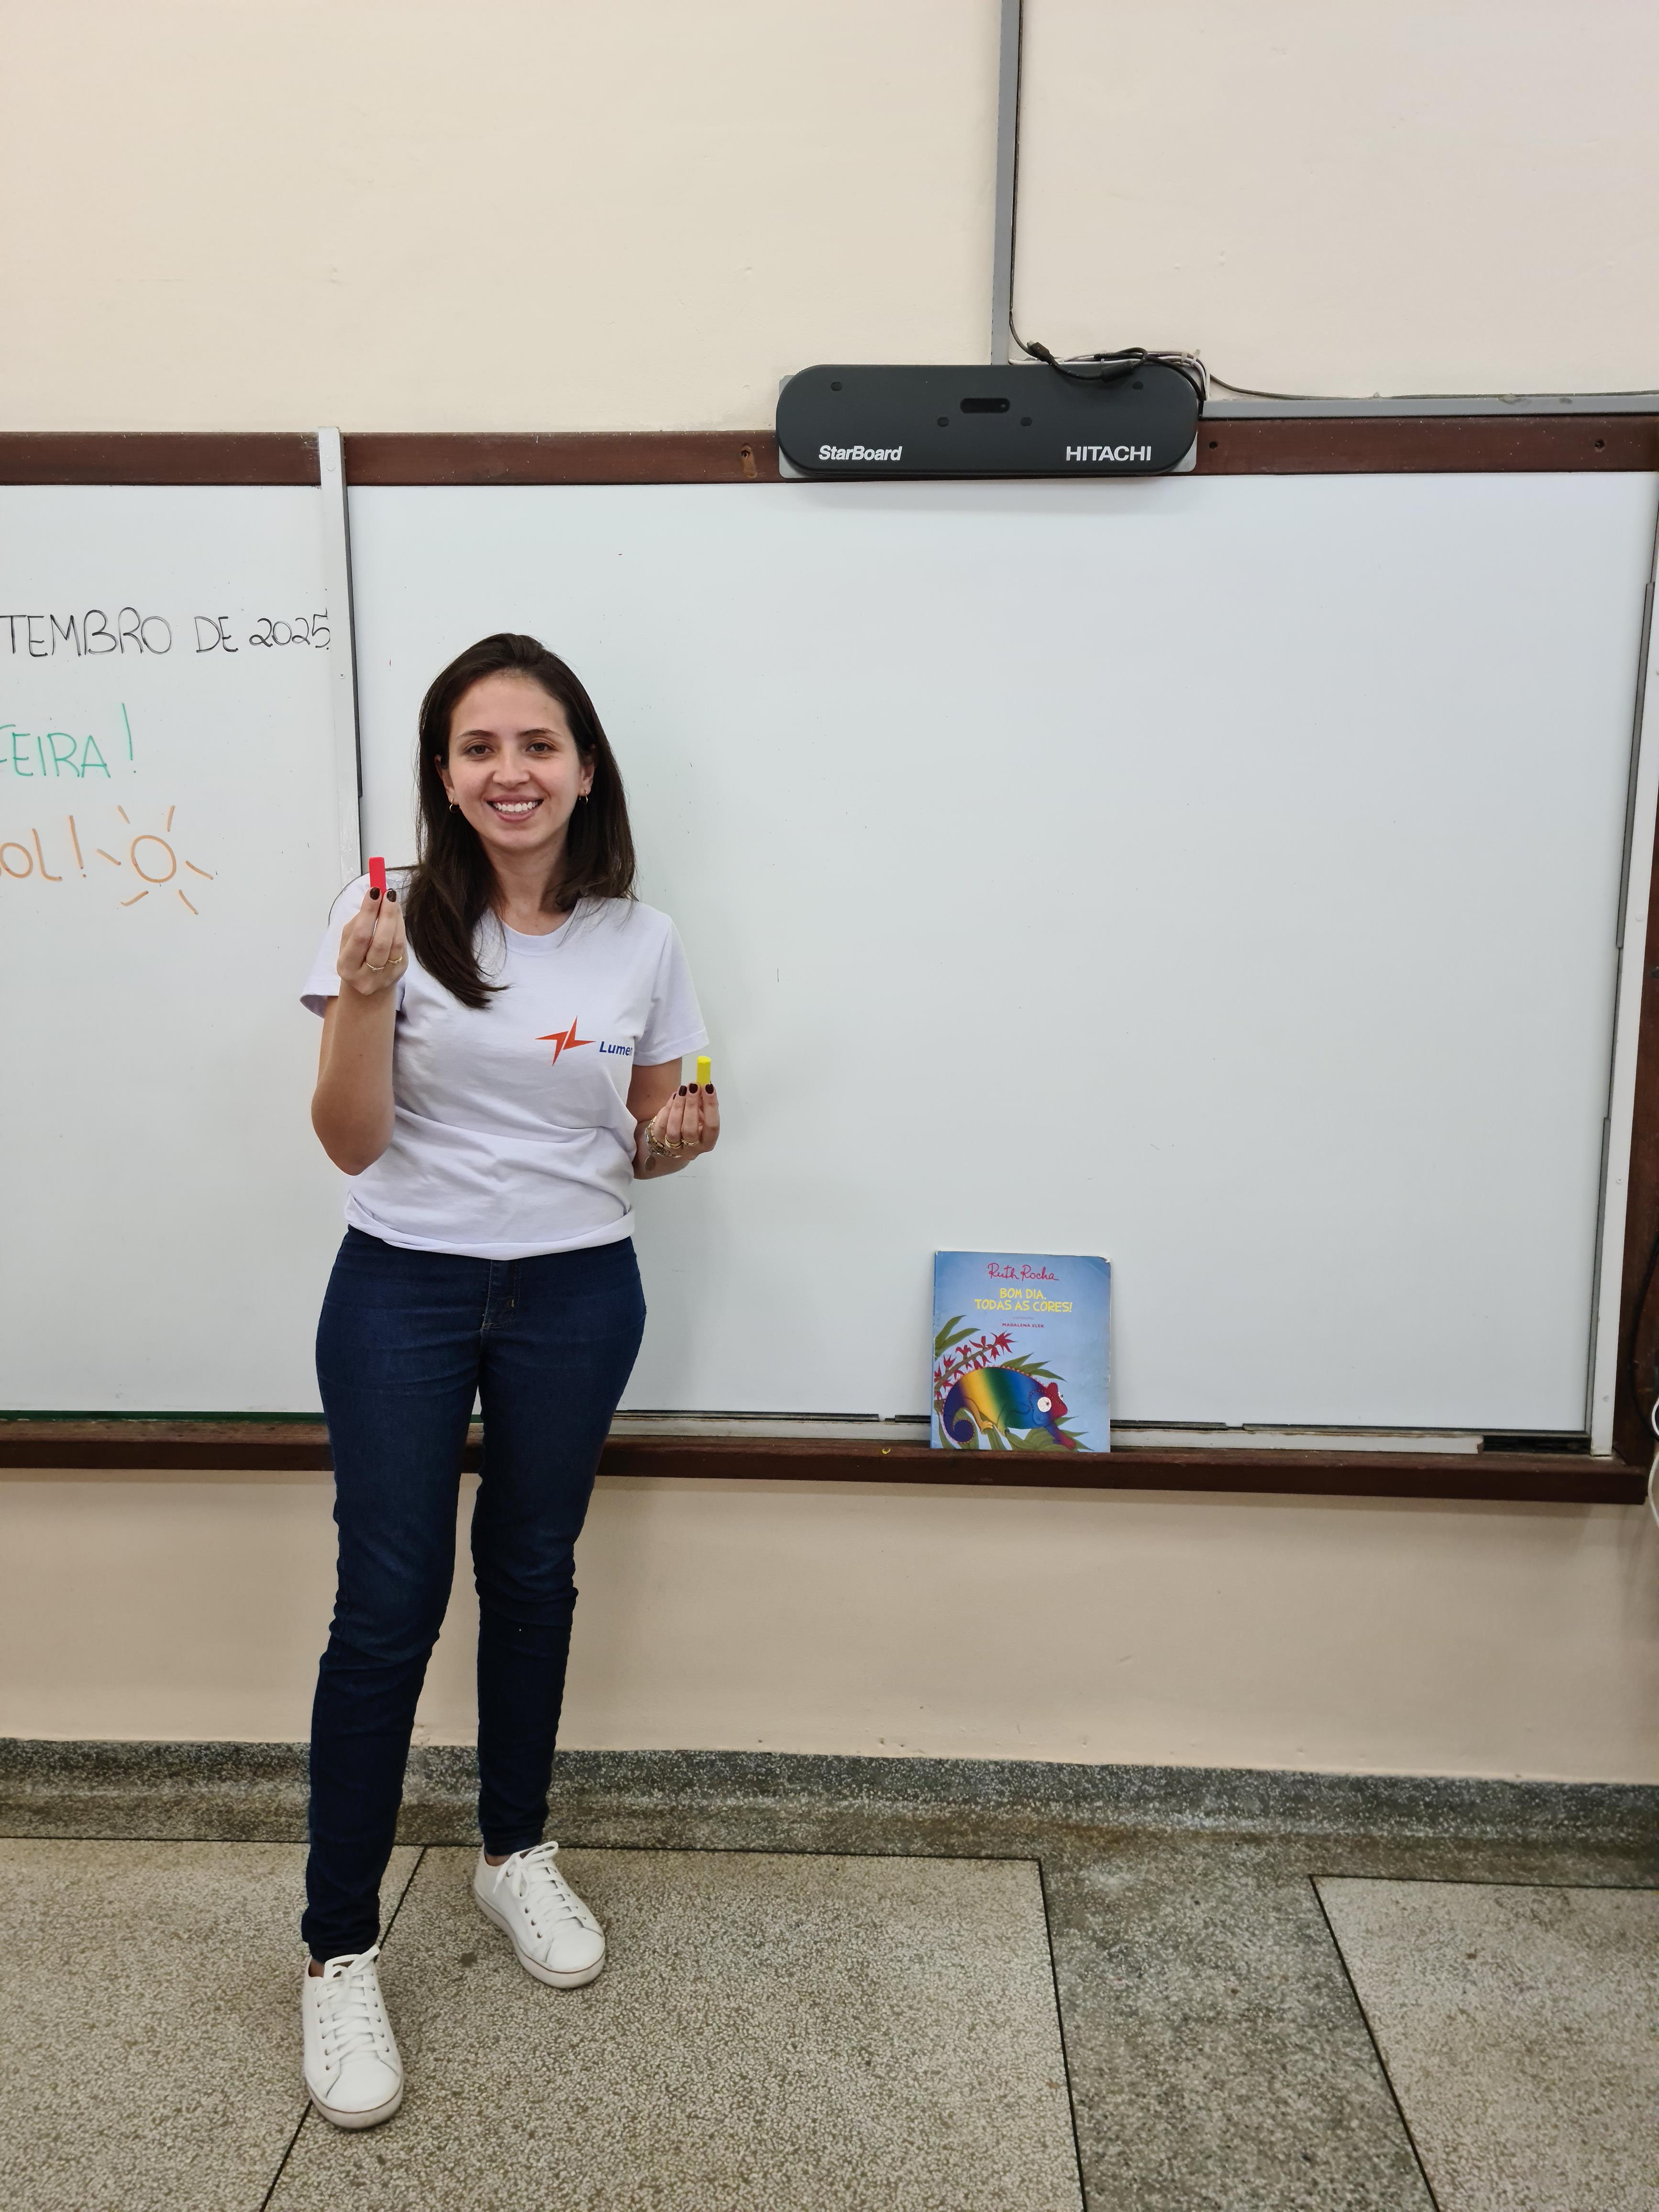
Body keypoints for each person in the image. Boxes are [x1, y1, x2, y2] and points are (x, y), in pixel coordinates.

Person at [296, 632, 717, 2129]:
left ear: (584, 767)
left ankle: (512, 1852)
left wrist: (679, 1138)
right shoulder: (383, 917)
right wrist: (362, 995)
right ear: (444, 773)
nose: (509, 772)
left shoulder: (641, 939)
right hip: (402, 1286)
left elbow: (663, 1121)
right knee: (387, 1604)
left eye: (536, 744)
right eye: (477, 747)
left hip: (576, 1289)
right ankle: (338, 1948)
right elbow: (349, 1141)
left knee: (533, 1573)